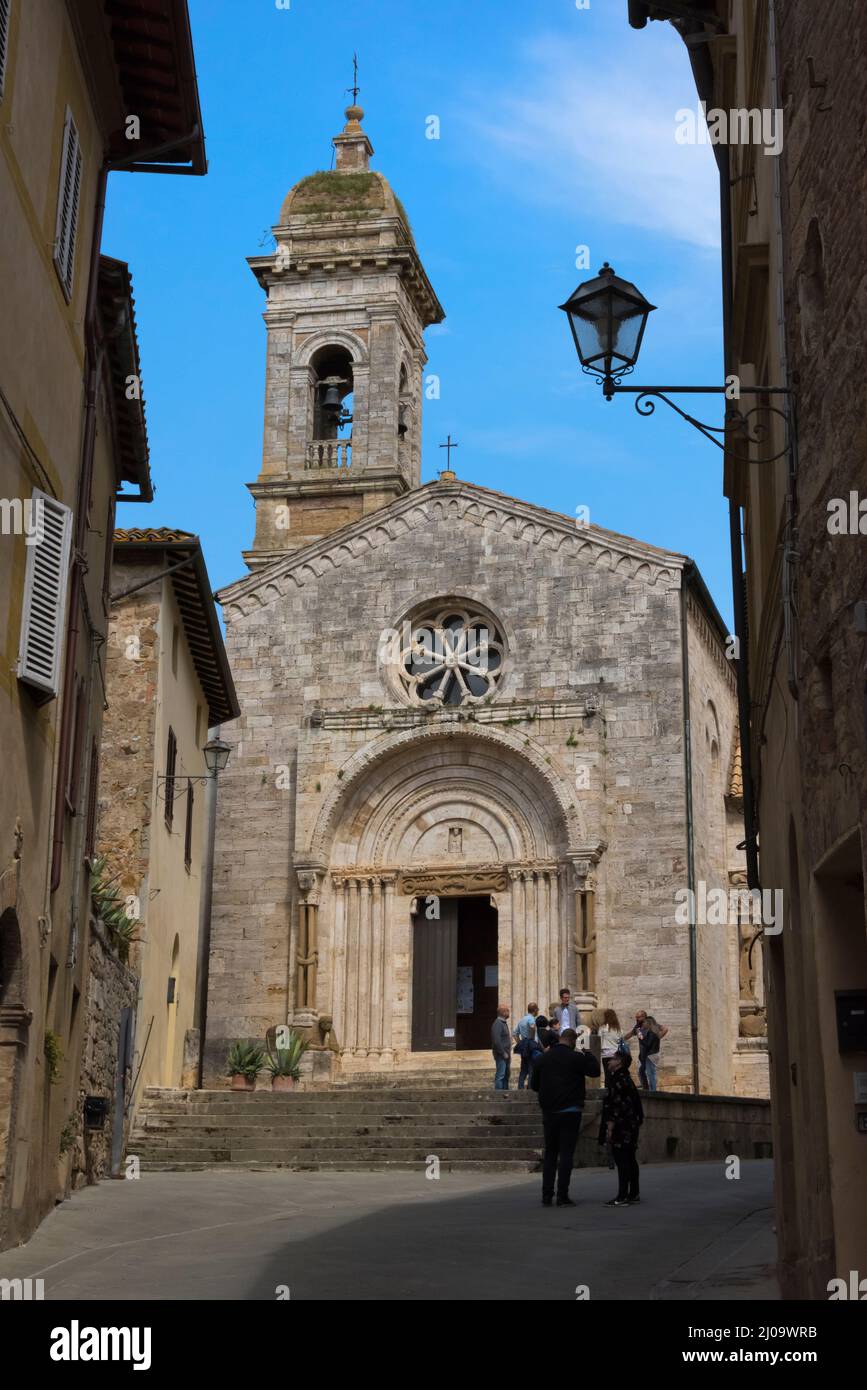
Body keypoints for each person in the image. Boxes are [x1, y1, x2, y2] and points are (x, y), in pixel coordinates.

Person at [530, 1027, 601, 1207]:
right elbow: (595, 1071)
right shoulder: (576, 1058)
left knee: (551, 1153)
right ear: (573, 1041)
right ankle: (562, 1195)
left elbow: (534, 1084)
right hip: (570, 1111)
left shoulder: (543, 1058)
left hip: (550, 1112)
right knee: (566, 1154)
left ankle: (547, 1195)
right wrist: (588, 1053)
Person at [599, 1049, 644, 1206]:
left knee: (622, 1159)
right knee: (630, 1158)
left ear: (619, 1062)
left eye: (612, 1059)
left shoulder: (618, 1079)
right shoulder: (626, 1078)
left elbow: (616, 1103)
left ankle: (623, 1195)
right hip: (630, 1124)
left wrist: (610, 1125)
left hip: (621, 1125)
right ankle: (633, 1193)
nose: (609, 1061)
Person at [625, 1010, 669, 1091]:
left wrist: (657, 1038)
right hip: (643, 1054)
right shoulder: (637, 1027)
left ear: (644, 1017)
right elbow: (630, 1034)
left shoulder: (652, 1025)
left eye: (638, 1017)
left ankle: (653, 1091)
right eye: (636, 1017)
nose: (637, 1019)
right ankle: (646, 1088)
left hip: (651, 1053)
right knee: (640, 1071)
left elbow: (665, 1029)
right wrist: (621, 1039)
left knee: (651, 1073)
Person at [513, 1002, 540, 1090]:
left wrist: (520, 1042)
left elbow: (514, 1033)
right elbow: (532, 1027)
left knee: (523, 1069)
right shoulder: (531, 1019)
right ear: (535, 1010)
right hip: (531, 1046)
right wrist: (531, 1038)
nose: (538, 1011)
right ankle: (530, 1088)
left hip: (524, 1046)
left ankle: (520, 1088)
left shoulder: (522, 1020)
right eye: (537, 1009)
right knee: (531, 1068)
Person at [598, 1008, 627, 1081]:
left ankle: (608, 1091)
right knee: (616, 1074)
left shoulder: (602, 1028)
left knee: (607, 1075)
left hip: (605, 1054)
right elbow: (621, 1040)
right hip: (615, 1055)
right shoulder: (618, 1029)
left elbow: (599, 1040)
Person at [491, 1004, 512, 1090]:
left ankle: (505, 1093)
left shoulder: (503, 1023)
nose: (509, 1012)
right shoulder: (498, 1023)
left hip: (506, 1054)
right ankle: (499, 1095)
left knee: (506, 1075)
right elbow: (496, 1040)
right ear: (503, 1012)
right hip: (501, 1054)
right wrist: (503, 1053)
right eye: (507, 1011)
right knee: (501, 1075)